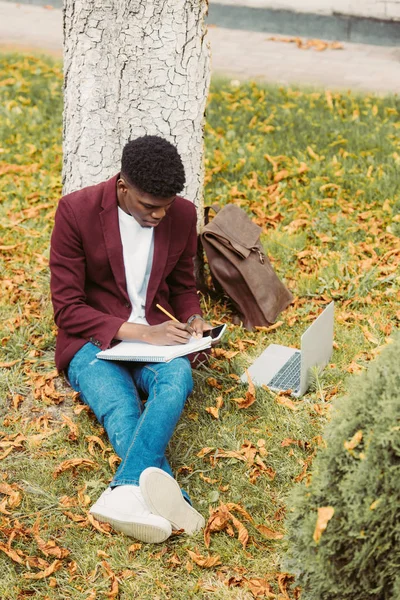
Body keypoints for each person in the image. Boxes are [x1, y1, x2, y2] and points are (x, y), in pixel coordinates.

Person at [50, 135, 207, 544]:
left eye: (166, 207)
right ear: (123, 186)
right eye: (149, 206)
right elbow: (67, 309)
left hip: (157, 340)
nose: (159, 215)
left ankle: (123, 494)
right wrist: (141, 332)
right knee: (120, 405)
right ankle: (169, 499)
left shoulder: (183, 214)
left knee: (177, 381)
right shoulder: (76, 211)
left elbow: (183, 285)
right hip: (92, 342)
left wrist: (193, 317)